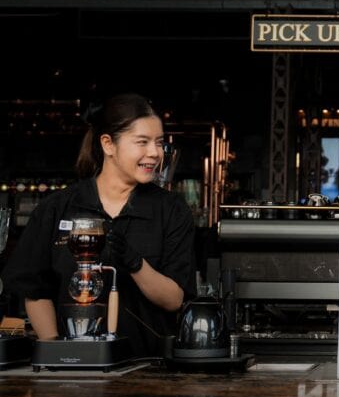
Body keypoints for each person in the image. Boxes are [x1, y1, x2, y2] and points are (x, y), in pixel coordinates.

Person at [1, 94, 196, 358]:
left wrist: (135, 263)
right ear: (108, 144)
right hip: (73, 371)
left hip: (148, 367)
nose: (155, 153)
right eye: (142, 142)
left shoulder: (171, 210)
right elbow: (35, 291)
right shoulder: (58, 207)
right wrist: (57, 352)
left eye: (159, 143)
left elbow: (174, 299)